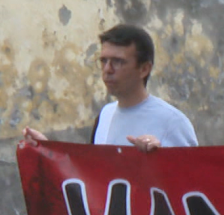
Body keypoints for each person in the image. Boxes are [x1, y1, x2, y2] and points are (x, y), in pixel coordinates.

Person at [22, 24, 197, 151]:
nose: (107, 70)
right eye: (104, 61)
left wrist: (161, 158)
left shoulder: (172, 122)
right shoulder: (105, 115)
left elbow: (192, 185)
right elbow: (91, 179)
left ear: (144, 69)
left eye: (118, 62)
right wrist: (46, 149)